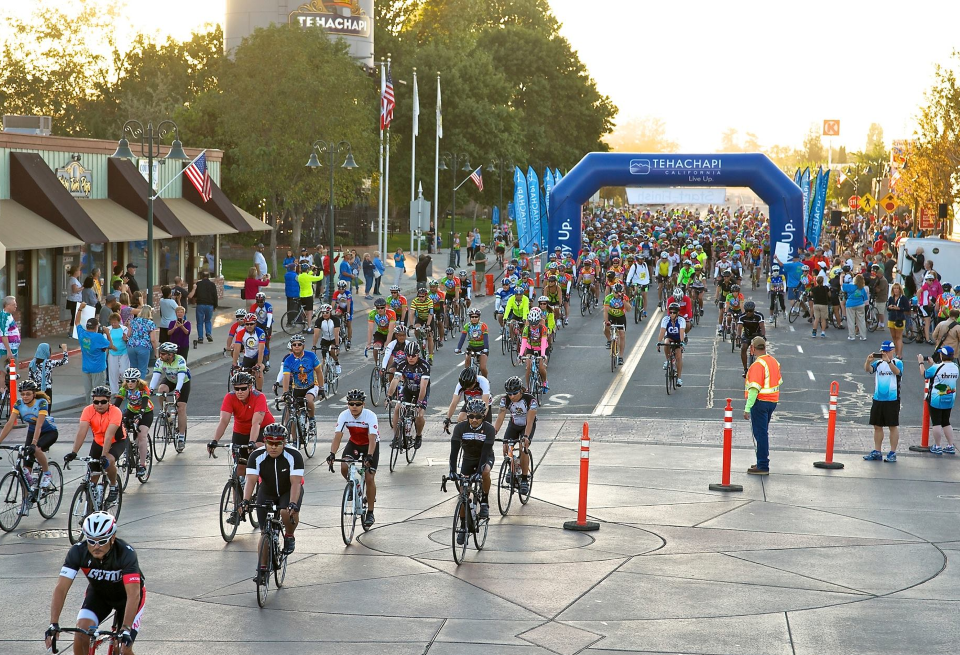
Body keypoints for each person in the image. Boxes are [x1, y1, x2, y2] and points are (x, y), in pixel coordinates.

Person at [45, 513, 144, 655]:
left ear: (113, 538)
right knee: (81, 633)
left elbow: (133, 595)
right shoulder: (77, 551)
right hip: (99, 595)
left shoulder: (126, 554)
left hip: (127, 599)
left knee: (122, 648)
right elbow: (61, 588)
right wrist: (53, 623)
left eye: (102, 541)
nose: (96, 546)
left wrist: (126, 629)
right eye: (91, 541)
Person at [207, 371, 276, 524]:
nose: (239, 392)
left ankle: (262, 484)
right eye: (236, 388)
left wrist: (252, 442)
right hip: (240, 431)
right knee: (238, 471)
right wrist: (214, 440)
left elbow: (256, 423)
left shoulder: (259, 397)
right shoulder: (230, 397)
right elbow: (224, 420)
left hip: (262, 429)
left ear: (250, 387)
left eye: (243, 388)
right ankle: (237, 510)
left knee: (257, 448)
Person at [241, 423, 304, 567]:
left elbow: (295, 483)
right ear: (264, 441)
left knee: (285, 511)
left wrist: (293, 503)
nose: (273, 447)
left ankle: (289, 535)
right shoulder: (256, 455)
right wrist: (245, 500)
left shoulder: (294, 455)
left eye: (278, 443)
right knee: (264, 533)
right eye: (270, 443)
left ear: (285, 442)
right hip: (267, 491)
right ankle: (262, 570)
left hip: (288, 490)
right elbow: (250, 480)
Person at [326, 389, 380, 528]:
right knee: (344, 466)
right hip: (355, 443)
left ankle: (370, 512)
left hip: (370, 445)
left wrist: (369, 456)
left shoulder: (370, 416)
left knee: (369, 477)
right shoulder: (344, 415)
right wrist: (332, 454)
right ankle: (353, 486)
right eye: (351, 404)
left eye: (357, 404)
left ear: (363, 404)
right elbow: (338, 436)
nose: (354, 407)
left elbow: (372, 438)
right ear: (348, 405)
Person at [64, 386, 125, 505]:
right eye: (96, 402)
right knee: (93, 477)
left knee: (109, 461)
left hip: (116, 441)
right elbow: (82, 432)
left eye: (103, 402)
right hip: (98, 442)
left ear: (109, 401)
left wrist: (103, 456)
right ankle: (91, 508)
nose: (99, 405)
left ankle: (113, 485)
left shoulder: (115, 412)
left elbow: (109, 435)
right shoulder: (88, 410)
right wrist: (74, 452)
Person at [449, 397, 497, 535]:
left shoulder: (489, 429)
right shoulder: (460, 428)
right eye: (471, 416)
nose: (474, 420)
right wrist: (452, 470)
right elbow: (454, 452)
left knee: (485, 472)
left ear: (483, 416)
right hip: (468, 459)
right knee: (463, 493)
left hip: (485, 457)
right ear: (467, 415)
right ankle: (463, 526)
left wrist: (479, 471)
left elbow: (485, 452)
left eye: (478, 417)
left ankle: (484, 501)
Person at [0, 379, 59, 489]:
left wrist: (33, 443)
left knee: (36, 449)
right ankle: (27, 500)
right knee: (26, 472)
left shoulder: (41, 403)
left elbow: (39, 425)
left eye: (28, 394)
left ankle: (47, 473)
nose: (25, 397)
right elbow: (9, 423)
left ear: (34, 394)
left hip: (48, 432)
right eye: (22, 394)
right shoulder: (18, 404)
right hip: (32, 431)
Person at [493, 376, 537, 495]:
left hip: (526, 425)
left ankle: (523, 479)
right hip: (513, 425)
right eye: (509, 394)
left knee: (523, 448)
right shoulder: (505, 400)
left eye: (514, 393)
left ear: (521, 390)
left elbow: (530, 421)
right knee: (506, 445)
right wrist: (494, 431)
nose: (512, 396)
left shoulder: (530, 400)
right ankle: (511, 466)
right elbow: (500, 416)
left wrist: (526, 436)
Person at [743, 337, 782, 474]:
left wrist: (747, 408)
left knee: (760, 434)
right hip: (772, 401)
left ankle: (763, 465)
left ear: (752, 349)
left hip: (760, 403)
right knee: (762, 432)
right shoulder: (773, 362)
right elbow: (778, 382)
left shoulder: (757, 365)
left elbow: (754, 389)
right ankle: (761, 460)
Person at [864, 340, 903, 462]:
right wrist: (868, 361)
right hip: (878, 399)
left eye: (887, 351)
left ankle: (892, 452)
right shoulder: (878, 363)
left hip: (892, 399)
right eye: (882, 351)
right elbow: (868, 369)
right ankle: (877, 451)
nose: (884, 353)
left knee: (892, 426)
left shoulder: (897, 362)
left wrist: (889, 361)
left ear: (892, 351)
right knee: (877, 426)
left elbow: (897, 372)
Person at [387, 341, 431, 448]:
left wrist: (420, 403)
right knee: (397, 408)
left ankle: (419, 436)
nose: (410, 358)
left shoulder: (424, 365)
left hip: (421, 391)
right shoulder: (402, 363)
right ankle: (396, 438)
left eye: (413, 356)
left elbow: (423, 386)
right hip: (407, 389)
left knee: (419, 415)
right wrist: (389, 396)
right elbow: (395, 380)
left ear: (418, 355)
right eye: (408, 355)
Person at [148, 342, 191, 449]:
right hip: (170, 379)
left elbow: (181, 378)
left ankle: (181, 437)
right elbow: (155, 376)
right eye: (160, 353)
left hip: (183, 382)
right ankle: (166, 412)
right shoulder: (160, 361)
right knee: (161, 389)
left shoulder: (180, 360)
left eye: (162, 354)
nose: (160, 355)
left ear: (171, 355)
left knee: (181, 407)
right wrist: (150, 389)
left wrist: (177, 390)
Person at [113, 369, 153, 477]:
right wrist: (110, 413)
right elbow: (116, 404)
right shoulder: (124, 388)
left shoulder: (143, 388)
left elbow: (144, 402)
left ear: (137, 381)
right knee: (120, 427)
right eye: (128, 380)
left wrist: (141, 413)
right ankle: (129, 446)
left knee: (141, 436)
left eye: (133, 381)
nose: (130, 383)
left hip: (146, 413)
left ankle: (142, 465)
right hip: (131, 411)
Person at [281, 333, 323, 432]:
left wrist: (321, 388)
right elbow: (286, 377)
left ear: (303, 346)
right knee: (293, 414)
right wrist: (285, 392)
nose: (296, 346)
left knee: (308, 400)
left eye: (299, 344)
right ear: (291, 346)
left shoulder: (311, 356)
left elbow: (319, 372)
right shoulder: (288, 360)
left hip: (311, 386)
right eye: (294, 345)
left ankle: (312, 420)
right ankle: (295, 441)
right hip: (297, 388)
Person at [74, 304, 117, 402]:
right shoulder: (98, 338)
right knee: (98, 393)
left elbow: (77, 322)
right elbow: (112, 346)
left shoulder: (82, 334)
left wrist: (80, 309)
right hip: (98, 369)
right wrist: (108, 333)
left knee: (88, 392)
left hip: (86, 368)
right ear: (96, 327)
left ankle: (88, 411)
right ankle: (95, 411)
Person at [922, 346, 960, 455]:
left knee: (936, 422)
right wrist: (933, 364)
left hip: (936, 398)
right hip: (950, 397)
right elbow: (941, 371)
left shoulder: (937, 367)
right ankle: (950, 445)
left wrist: (921, 363)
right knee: (946, 422)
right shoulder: (956, 367)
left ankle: (937, 446)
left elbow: (924, 374)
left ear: (941, 355)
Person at [443, 367, 493, 433]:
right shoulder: (460, 385)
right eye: (465, 387)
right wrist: (448, 418)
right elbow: (454, 403)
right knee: (460, 419)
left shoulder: (483, 382)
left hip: (483, 403)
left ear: (475, 381)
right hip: (470, 402)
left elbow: (485, 405)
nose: (467, 388)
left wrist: (480, 418)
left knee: (484, 427)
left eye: (469, 386)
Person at [28, 342, 69, 410]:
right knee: (46, 410)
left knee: (37, 410)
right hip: (46, 390)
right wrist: (64, 350)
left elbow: (30, 378)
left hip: (35, 390)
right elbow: (64, 361)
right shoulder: (49, 363)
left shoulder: (32, 363)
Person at [231, 313, 267, 391]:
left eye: (251, 324)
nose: (249, 326)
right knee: (244, 375)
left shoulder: (260, 332)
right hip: (247, 356)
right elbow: (237, 348)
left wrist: (259, 364)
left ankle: (259, 392)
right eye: (247, 324)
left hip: (258, 356)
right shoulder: (241, 333)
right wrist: (234, 363)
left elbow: (261, 350)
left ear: (255, 324)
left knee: (258, 372)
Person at [455, 307, 490, 378]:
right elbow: (462, 338)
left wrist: (486, 348)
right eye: (472, 317)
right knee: (467, 361)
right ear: (470, 318)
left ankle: (485, 381)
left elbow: (486, 339)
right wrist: (458, 348)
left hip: (482, 348)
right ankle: (466, 378)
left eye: (476, 317)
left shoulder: (483, 326)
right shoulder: (467, 326)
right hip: (472, 347)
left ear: (479, 317)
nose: (474, 318)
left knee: (482, 367)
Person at [127, 305, 158, 381]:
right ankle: (140, 389)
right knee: (142, 369)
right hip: (143, 347)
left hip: (131, 346)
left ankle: (132, 387)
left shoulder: (133, 321)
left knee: (133, 369)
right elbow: (153, 339)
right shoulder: (150, 323)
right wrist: (156, 351)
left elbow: (128, 334)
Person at [188, 271, 218, 343]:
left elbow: (194, 295)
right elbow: (215, 296)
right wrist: (215, 306)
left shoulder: (198, 284)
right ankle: (208, 333)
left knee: (200, 322)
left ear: (201, 276)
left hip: (200, 305)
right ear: (208, 276)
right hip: (210, 305)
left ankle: (200, 338)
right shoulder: (212, 284)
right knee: (208, 320)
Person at [737, 301, 765, 377]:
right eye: (746, 311)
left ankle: (762, 368)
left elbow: (762, 327)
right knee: (743, 348)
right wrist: (738, 336)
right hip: (747, 335)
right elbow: (739, 328)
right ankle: (745, 369)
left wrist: (763, 336)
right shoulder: (742, 316)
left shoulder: (759, 315)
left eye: (750, 311)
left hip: (757, 335)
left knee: (762, 350)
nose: (748, 313)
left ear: (754, 310)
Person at [106, 312, 130, 394]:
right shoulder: (108, 330)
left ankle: (126, 389)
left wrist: (126, 339)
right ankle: (114, 391)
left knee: (124, 371)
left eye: (115, 322)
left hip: (124, 352)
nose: (113, 324)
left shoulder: (124, 329)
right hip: (112, 353)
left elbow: (128, 340)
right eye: (111, 322)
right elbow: (105, 342)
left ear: (119, 321)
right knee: (113, 372)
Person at [297, 262, 324, 331]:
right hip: (308, 296)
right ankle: (309, 327)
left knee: (305, 312)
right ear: (307, 270)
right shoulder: (308, 277)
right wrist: (321, 271)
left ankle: (305, 327)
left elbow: (307, 274)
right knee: (309, 313)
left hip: (302, 295)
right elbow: (320, 277)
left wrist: (312, 271)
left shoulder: (300, 276)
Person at [842, 273, 869, 341]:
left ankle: (852, 336)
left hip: (850, 304)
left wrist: (841, 277)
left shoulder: (851, 286)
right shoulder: (862, 289)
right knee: (861, 321)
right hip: (860, 304)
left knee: (851, 320)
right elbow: (865, 298)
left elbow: (842, 285)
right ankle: (863, 336)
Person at [66, 265, 83, 334]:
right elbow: (75, 290)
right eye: (78, 271)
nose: (80, 272)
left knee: (75, 315)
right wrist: (82, 287)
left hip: (75, 300)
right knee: (75, 316)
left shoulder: (74, 279)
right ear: (75, 272)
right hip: (74, 300)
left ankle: (72, 331)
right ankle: (71, 331)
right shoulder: (73, 280)